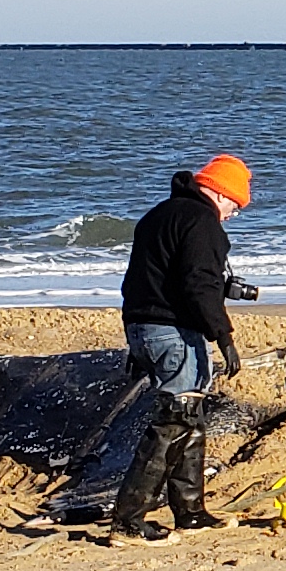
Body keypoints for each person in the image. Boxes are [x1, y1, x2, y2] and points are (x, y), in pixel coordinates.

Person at [109, 154, 257, 534]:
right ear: (221, 194)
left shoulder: (158, 216)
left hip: (143, 324)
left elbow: (146, 279)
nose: (230, 216)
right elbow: (198, 285)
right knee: (173, 423)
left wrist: (136, 340)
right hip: (173, 332)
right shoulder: (202, 222)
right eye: (235, 207)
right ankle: (127, 521)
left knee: (190, 417)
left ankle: (191, 512)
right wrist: (223, 335)